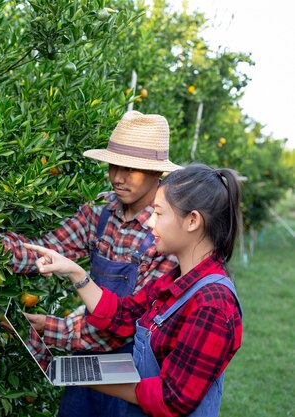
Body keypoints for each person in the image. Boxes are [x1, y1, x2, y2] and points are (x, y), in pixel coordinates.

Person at [23, 163, 244, 417]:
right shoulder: (175, 281)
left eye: (159, 214)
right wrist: (76, 273)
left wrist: (78, 376)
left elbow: (171, 398)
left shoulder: (212, 304)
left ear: (192, 221)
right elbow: (124, 315)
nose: (150, 222)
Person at [0, 110, 179, 417]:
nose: (118, 177)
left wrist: (49, 327)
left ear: (156, 174)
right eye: (114, 165)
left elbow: (129, 322)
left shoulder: (165, 232)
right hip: (88, 362)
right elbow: (48, 250)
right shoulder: (100, 211)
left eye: (131, 169)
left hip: (133, 372)